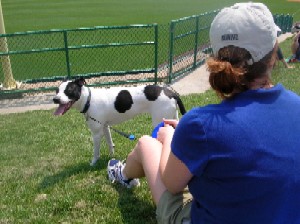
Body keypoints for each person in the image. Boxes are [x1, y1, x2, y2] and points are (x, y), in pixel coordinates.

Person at [107, 2, 300, 223]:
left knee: (146, 144)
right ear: (274, 53)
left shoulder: (202, 124)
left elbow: (171, 184)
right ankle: (122, 173)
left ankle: (121, 174)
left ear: (218, 58)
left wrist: (170, 138)